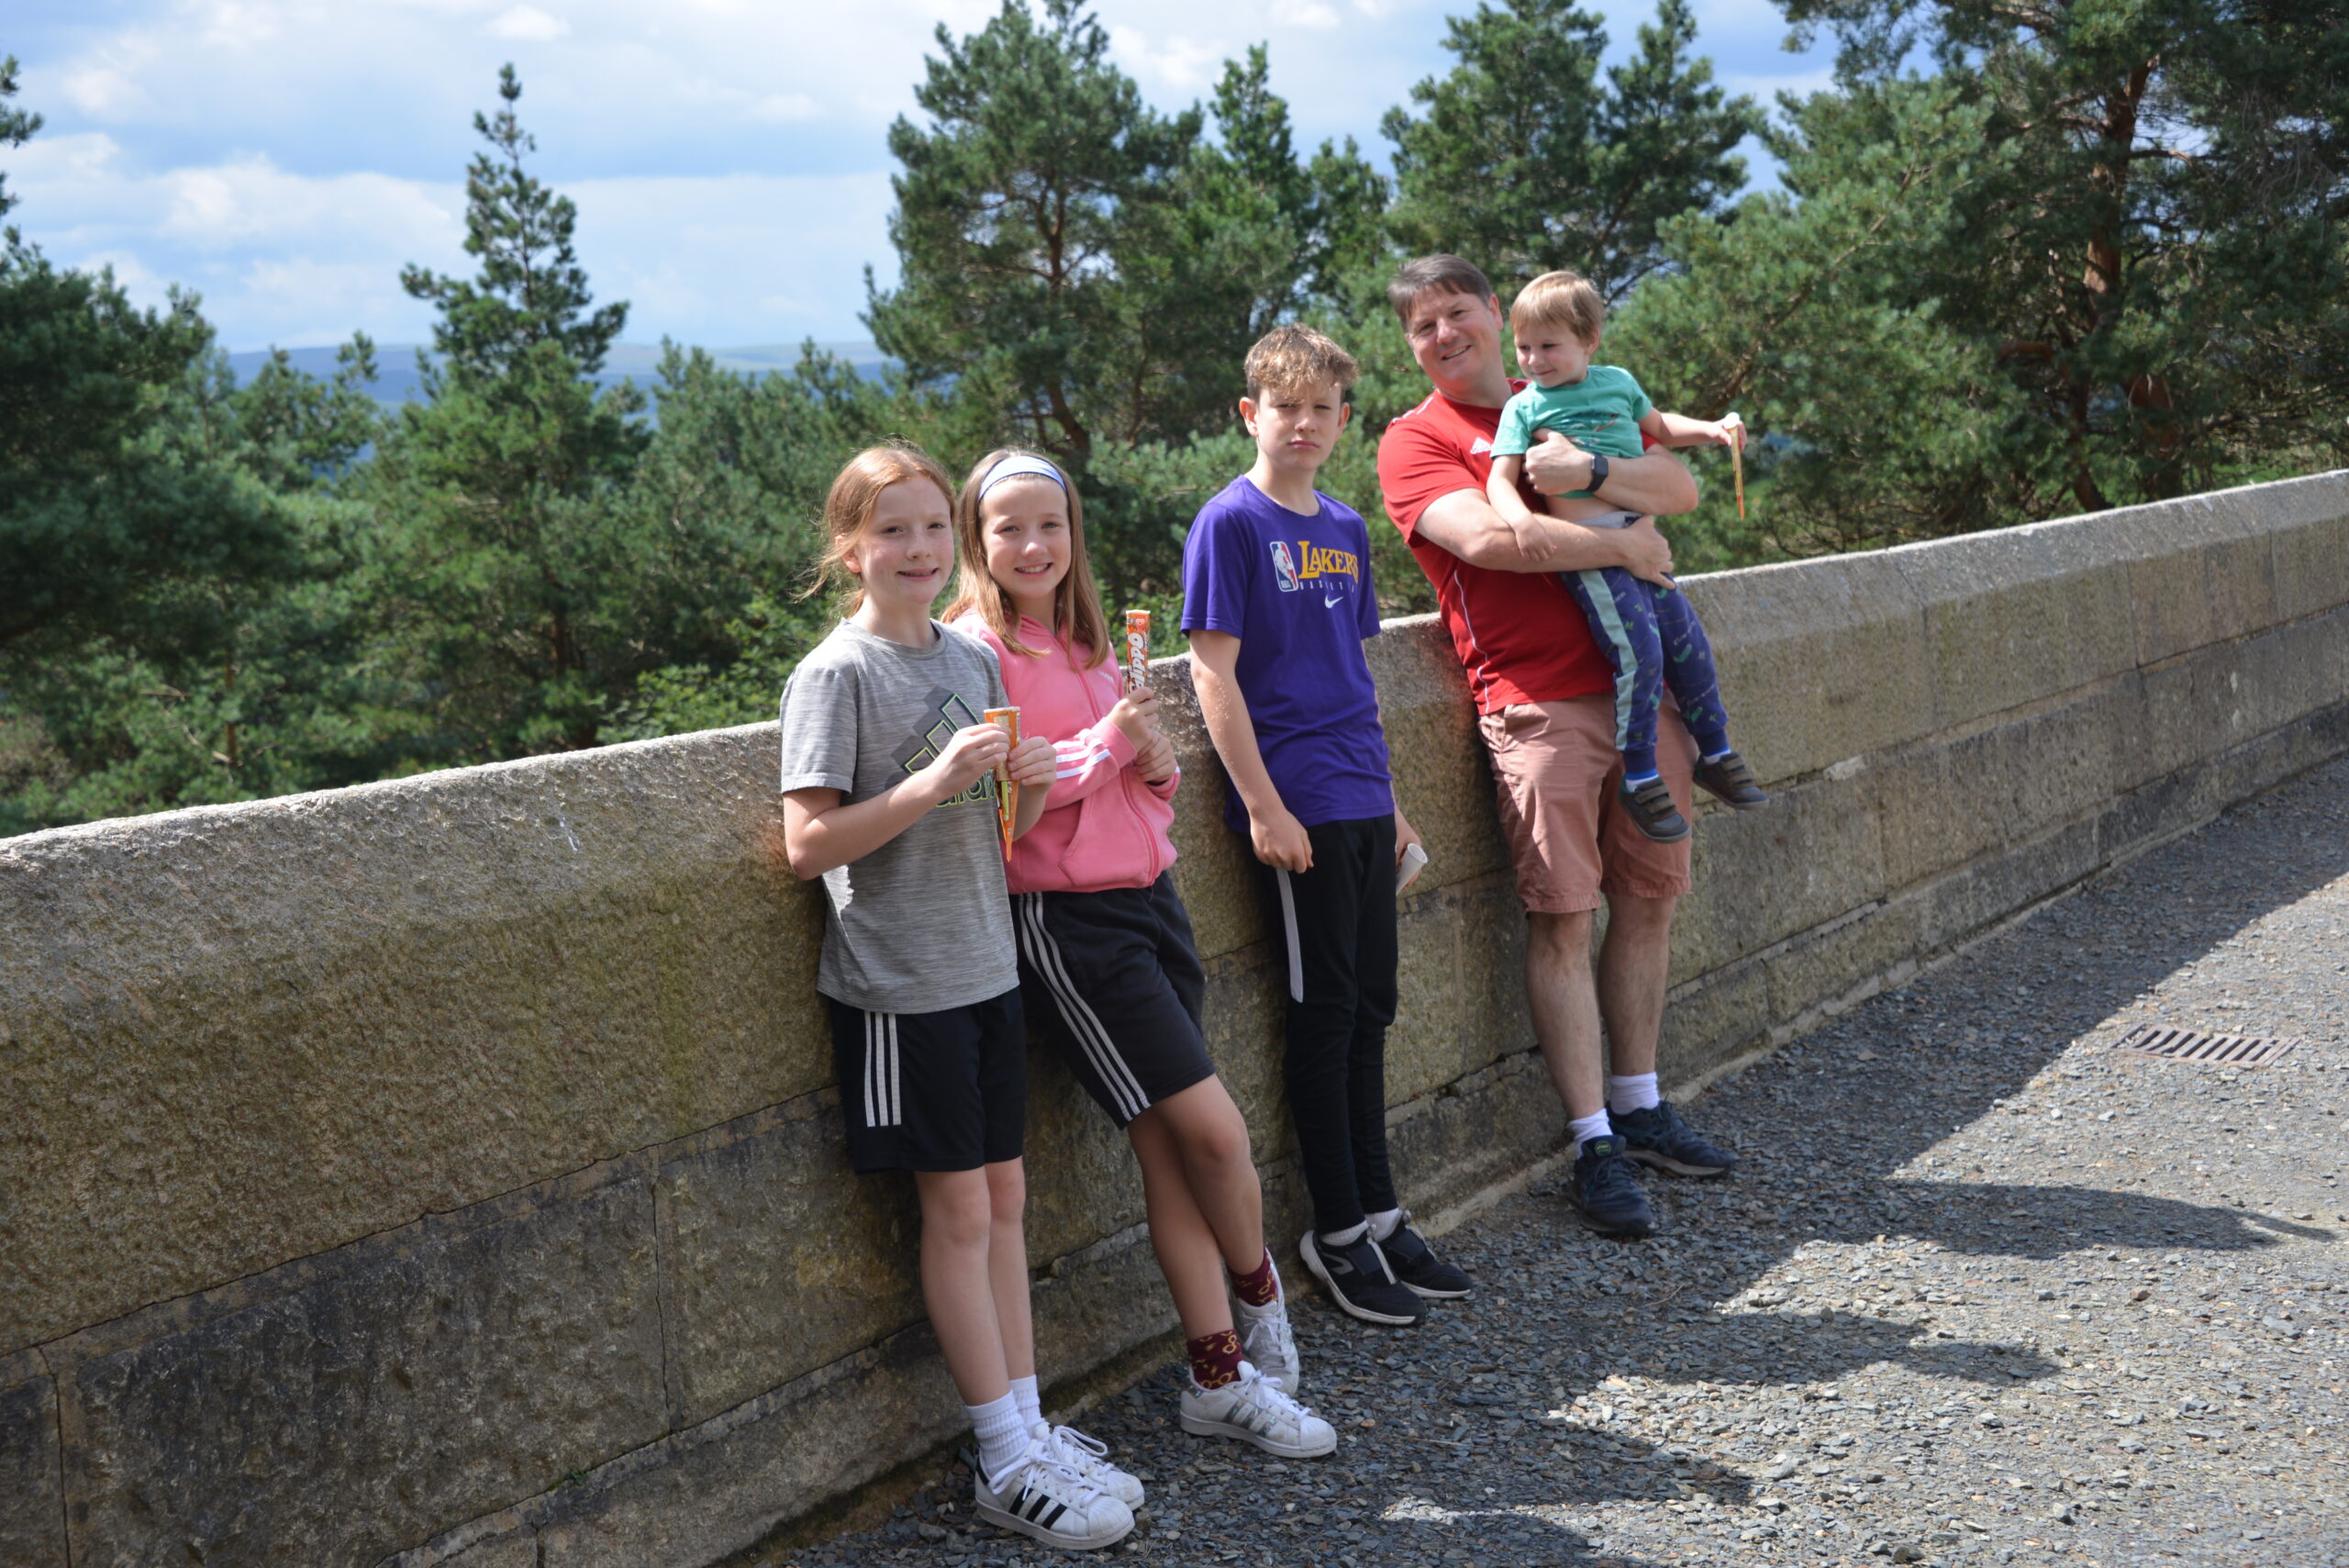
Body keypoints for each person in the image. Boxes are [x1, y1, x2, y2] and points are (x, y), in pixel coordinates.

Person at [945, 448, 1338, 1461]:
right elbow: (993, 815)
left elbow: (1132, 785)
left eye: (1051, 524)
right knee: (1214, 1130)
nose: (1033, 545)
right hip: (1066, 925)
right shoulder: (971, 651)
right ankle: (1261, 1307)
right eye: (1008, 527)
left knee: (1171, 1145)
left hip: (1150, 898)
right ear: (973, 539)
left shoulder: (1086, 641)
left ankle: (1215, 1375)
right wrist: (1112, 749)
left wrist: (1152, 767)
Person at [777, 445, 1135, 1551]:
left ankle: (1029, 1422)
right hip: (901, 979)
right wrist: (934, 780)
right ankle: (1000, 1453)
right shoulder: (835, 673)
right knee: (961, 1210)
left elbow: (996, 836)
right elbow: (806, 845)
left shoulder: (970, 662)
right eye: (894, 532)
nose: (920, 550)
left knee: (1007, 1198)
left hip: (983, 963)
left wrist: (1018, 788)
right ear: (851, 548)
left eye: (934, 527)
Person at [1374, 255, 1740, 1241]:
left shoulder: (1575, 393)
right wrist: (1622, 542)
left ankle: (1641, 1102)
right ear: (1411, 346)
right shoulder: (1415, 441)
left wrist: (1593, 477)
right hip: (1534, 700)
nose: (1445, 334)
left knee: (1651, 898)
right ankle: (1592, 1141)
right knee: (1564, 917)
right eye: (1422, 327)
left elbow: (1679, 485)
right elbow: (1489, 542)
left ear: (1496, 315)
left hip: (1642, 689)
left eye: (1458, 313)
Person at [1182, 324, 1475, 1328]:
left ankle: (1382, 1211)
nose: (1301, 424)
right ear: (1248, 413)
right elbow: (1211, 674)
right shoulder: (1230, 523)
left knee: (1371, 1009)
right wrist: (1263, 804)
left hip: (1359, 798)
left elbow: (1353, 676)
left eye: (1320, 409)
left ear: (1342, 421)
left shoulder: (1345, 527)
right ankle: (1335, 1229)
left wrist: (1391, 800)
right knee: (1321, 1016)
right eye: (1284, 406)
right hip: (1296, 805)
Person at [1485, 268, 1769, 842]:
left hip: (1643, 543)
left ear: (1589, 341)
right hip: (1593, 557)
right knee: (1639, 655)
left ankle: (1715, 749)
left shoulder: (1616, 382)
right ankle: (1639, 774)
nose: (1534, 361)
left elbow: (1659, 428)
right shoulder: (1525, 407)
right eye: (1523, 348)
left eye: (1549, 346)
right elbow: (1499, 479)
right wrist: (1518, 518)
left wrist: (1713, 430)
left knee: (1688, 644)